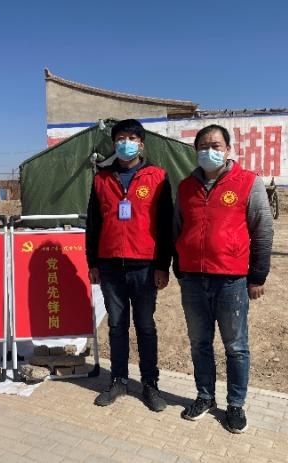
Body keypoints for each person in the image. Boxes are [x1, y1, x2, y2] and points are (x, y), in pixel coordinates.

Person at [173, 124, 273, 433]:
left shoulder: (248, 182)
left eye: (215, 145)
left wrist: (257, 276)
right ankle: (205, 396)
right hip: (193, 280)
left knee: (236, 347)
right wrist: (179, 267)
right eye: (202, 146)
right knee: (199, 344)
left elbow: (263, 230)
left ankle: (235, 405)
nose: (209, 151)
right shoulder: (186, 187)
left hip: (231, 281)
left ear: (228, 149)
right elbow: (177, 228)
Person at [86, 119, 173, 412]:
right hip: (110, 265)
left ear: (141, 144)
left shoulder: (158, 177)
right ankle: (119, 380)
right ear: (114, 144)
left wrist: (162, 265)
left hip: (145, 266)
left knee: (145, 326)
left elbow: (166, 223)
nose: (126, 143)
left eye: (132, 138)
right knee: (116, 325)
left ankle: (150, 384)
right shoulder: (101, 179)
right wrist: (93, 262)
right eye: (120, 138)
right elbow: (93, 224)